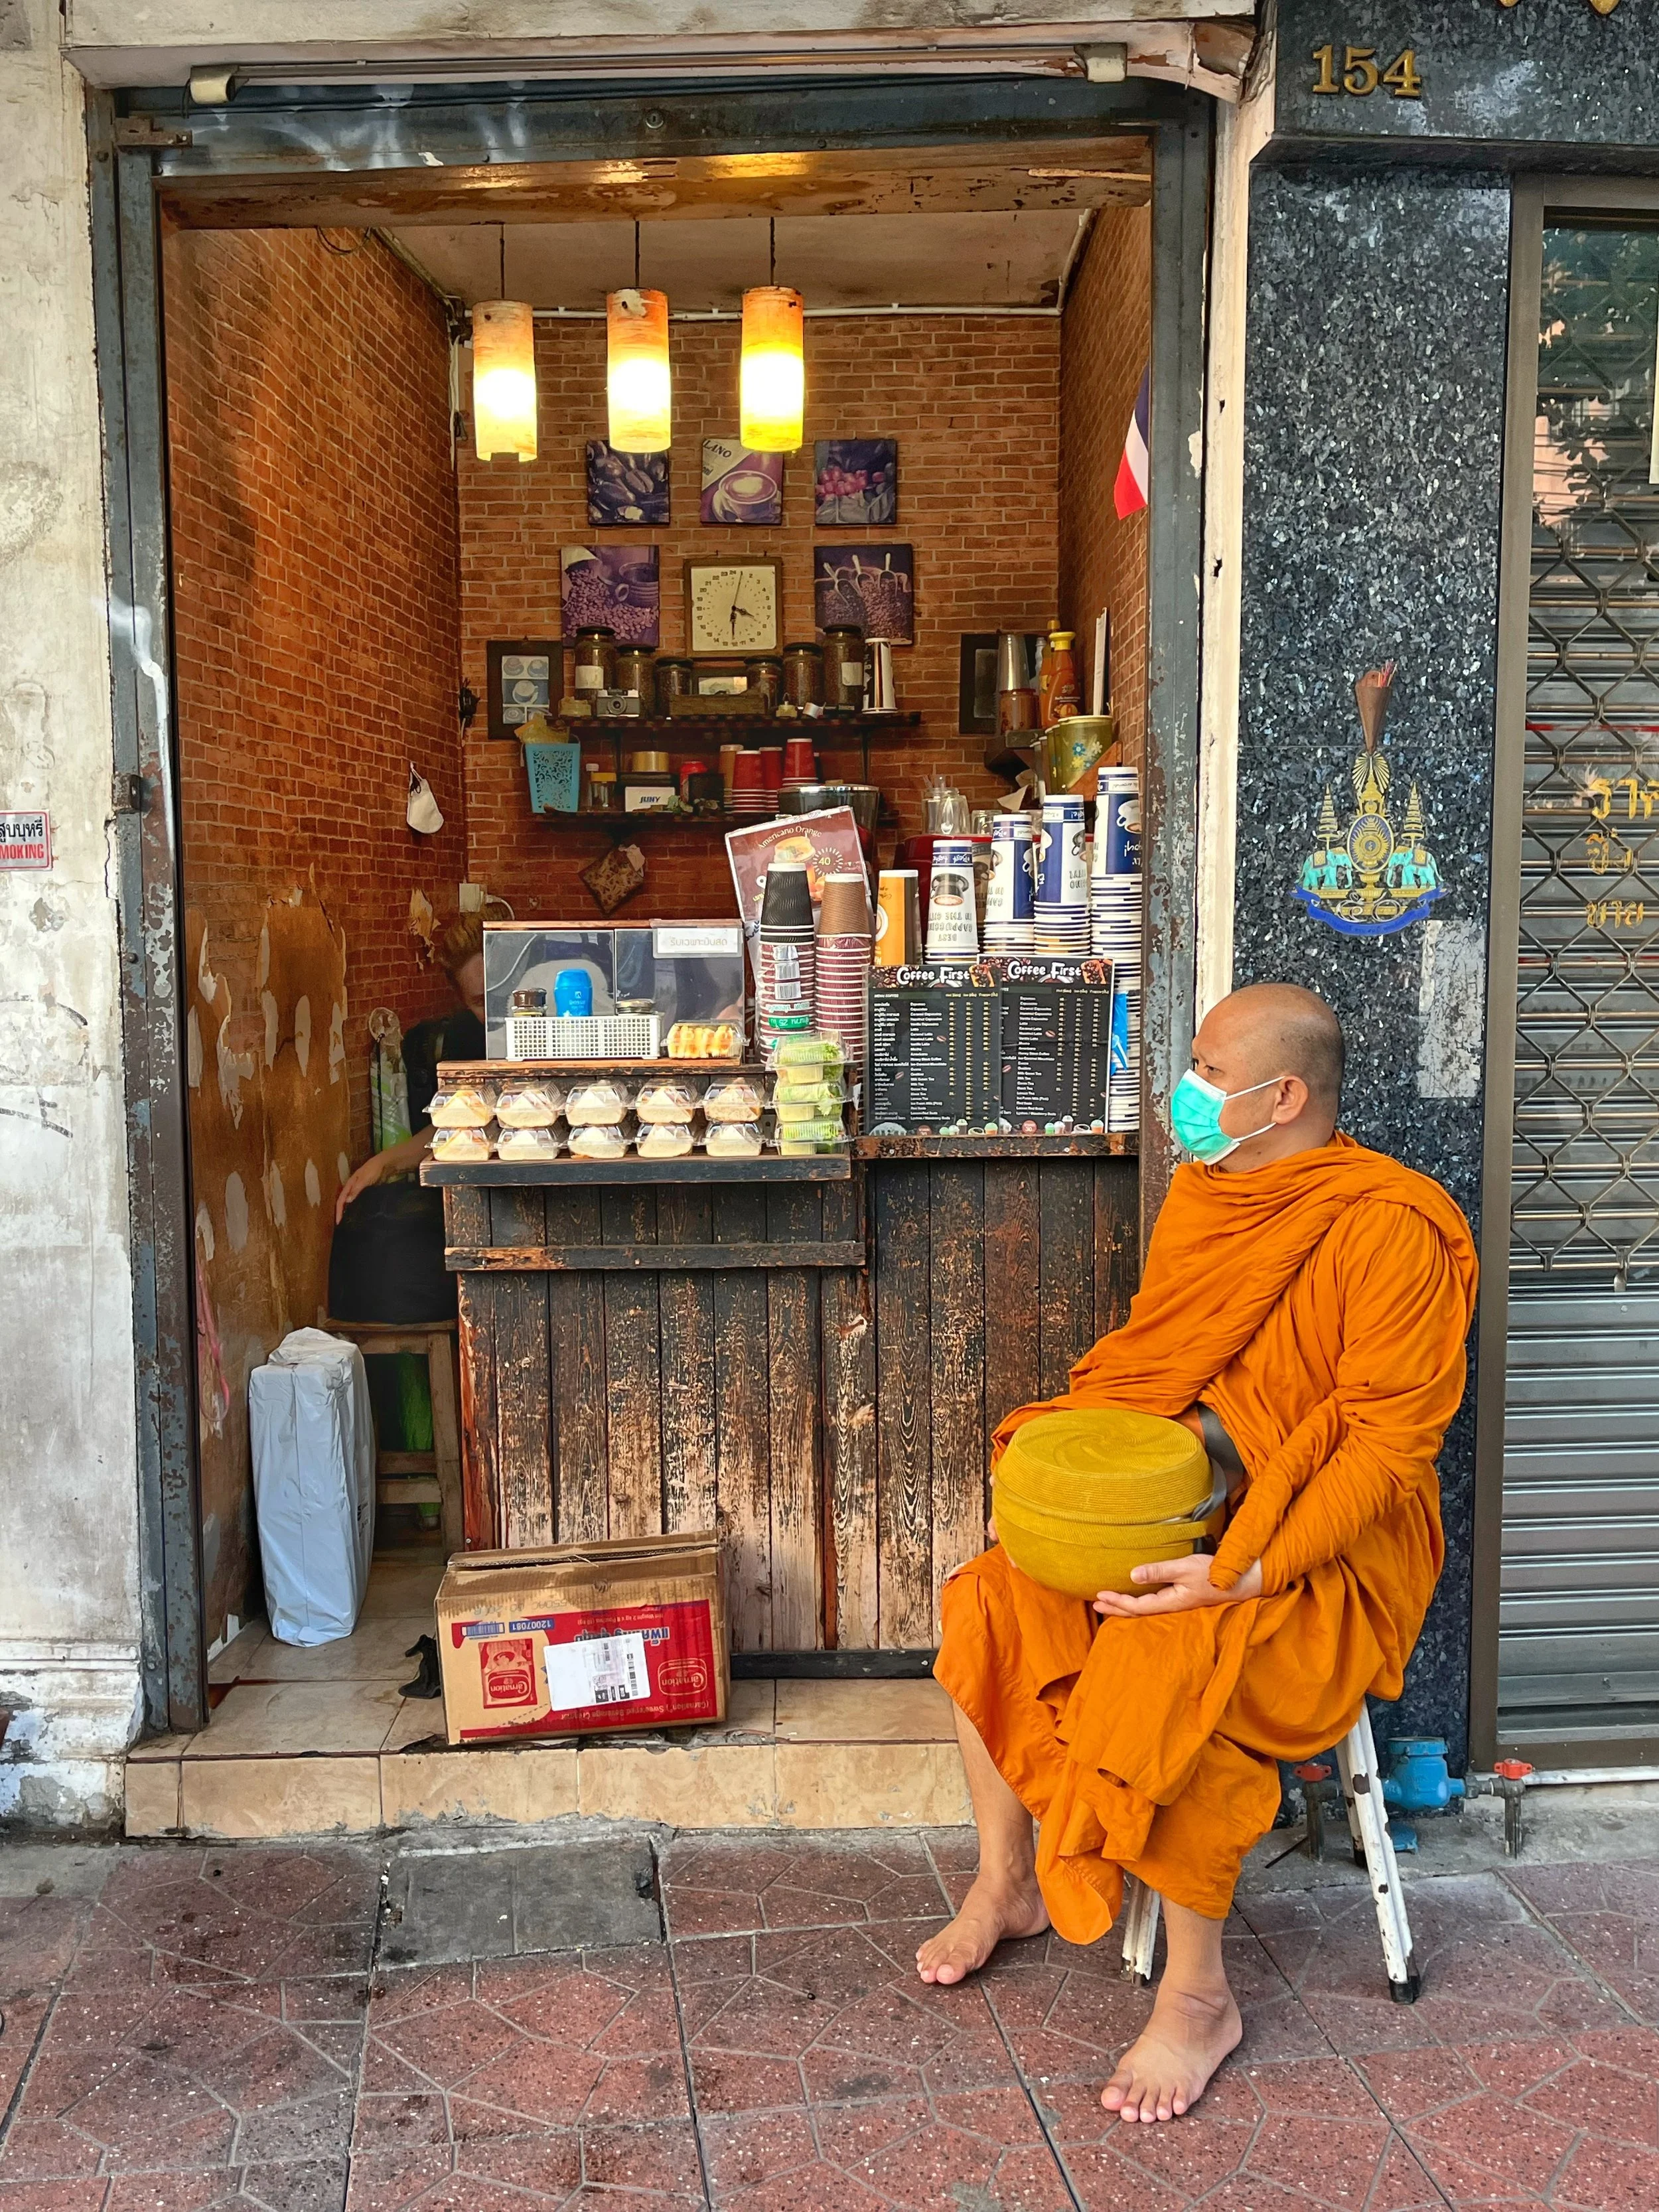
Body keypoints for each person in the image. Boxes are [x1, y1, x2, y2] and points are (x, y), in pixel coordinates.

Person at [915, 982, 1477, 2126]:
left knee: (1174, 1663)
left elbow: (1384, 1446)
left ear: (1285, 1094)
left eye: (1213, 1071)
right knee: (990, 1595)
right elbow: (1170, 1377)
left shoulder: (1392, 1226)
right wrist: (1110, 1501)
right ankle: (1007, 1880)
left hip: (1321, 1553)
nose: (1193, 1088)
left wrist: (1246, 1568)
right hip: (1200, 1513)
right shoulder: (1207, 1199)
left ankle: (1198, 1995)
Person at [335, 907, 500, 1223]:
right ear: (463, 1001)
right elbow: (453, 1124)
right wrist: (383, 1164)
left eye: (500, 993)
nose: (495, 1011)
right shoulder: (467, 1038)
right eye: (481, 1002)